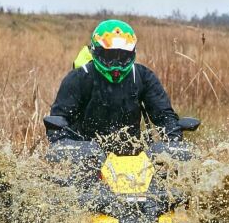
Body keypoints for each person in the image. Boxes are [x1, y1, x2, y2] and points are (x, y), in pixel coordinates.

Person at [47, 19, 182, 144]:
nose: (115, 65)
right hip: (85, 156)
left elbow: (165, 116)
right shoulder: (77, 78)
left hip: (134, 156)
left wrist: (173, 138)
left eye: (122, 57)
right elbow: (58, 122)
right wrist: (65, 145)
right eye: (109, 56)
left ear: (132, 54)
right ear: (96, 52)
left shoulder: (144, 77)